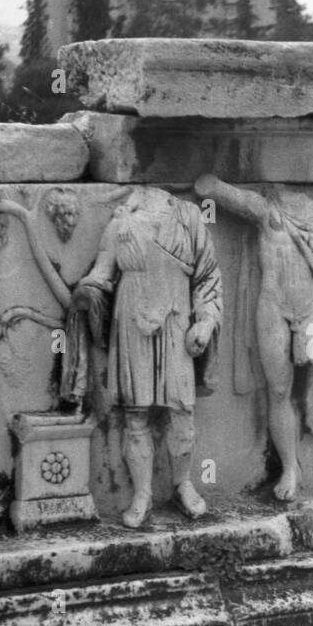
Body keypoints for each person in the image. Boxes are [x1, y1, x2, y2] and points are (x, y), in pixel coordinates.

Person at [193, 175, 313, 500]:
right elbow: (215, 190)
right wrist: (207, 182)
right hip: (273, 307)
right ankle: (291, 469)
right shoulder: (269, 211)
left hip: (312, 310)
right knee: (278, 391)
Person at [72, 187, 222, 527]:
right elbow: (102, 272)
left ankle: (183, 483)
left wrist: (207, 321)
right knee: (136, 414)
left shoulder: (189, 217)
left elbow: (208, 275)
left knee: (182, 409)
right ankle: (142, 494)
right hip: (131, 316)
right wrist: (87, 292)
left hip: (177, 316)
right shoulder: (121, 220)